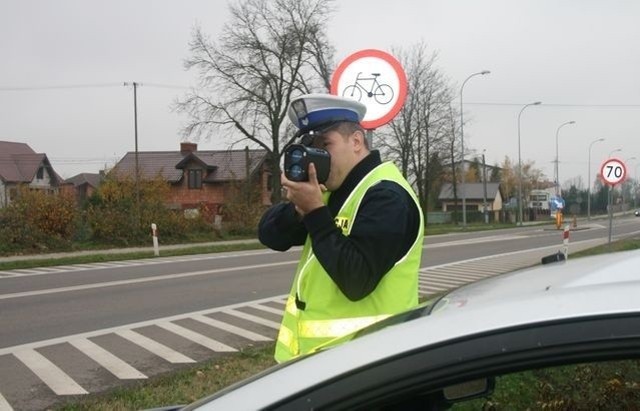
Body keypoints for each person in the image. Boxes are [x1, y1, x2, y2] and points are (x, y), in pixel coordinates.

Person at [258, 93, 424, 363]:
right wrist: (301, 206)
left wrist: (315, 212)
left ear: (356, 141)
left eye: (326, 144)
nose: (318, 156)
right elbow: (270, 235)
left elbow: (356, 280)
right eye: (313, 146)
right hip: (318, 364)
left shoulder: (387, 196)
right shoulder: (330, 193)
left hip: (370, 365)